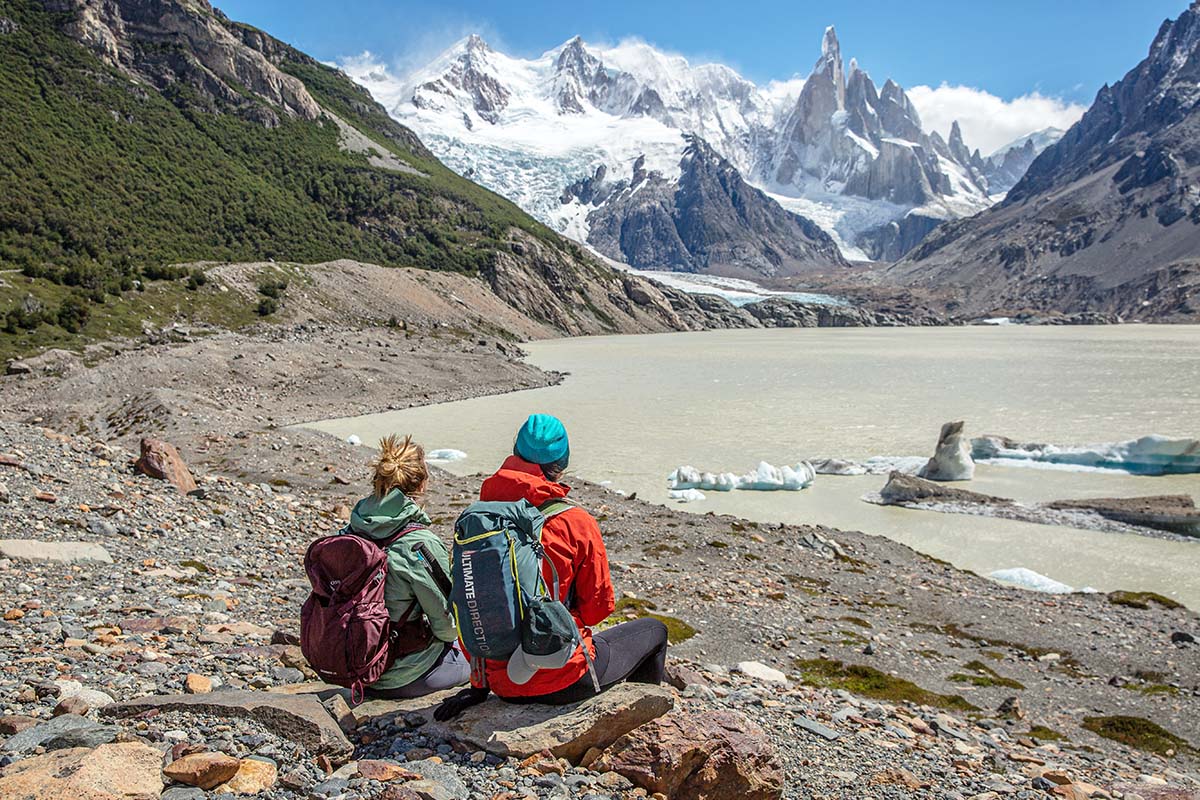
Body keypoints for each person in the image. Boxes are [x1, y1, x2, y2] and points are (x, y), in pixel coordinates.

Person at [435, 414, 668, 719]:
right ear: (562, 462)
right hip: (562, 677)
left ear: (515, 454)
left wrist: (481, 686)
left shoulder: (479, 519)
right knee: (656, 630)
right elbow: (597, 609)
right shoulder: (574, 521)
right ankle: (642, 724)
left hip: (498, 682)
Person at [348, 434, 469, 699]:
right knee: (480, 662)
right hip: (406, 672)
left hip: (353, 665)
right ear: (422, 483)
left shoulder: (350, 532)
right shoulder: (419, 544)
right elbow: (447, 626)